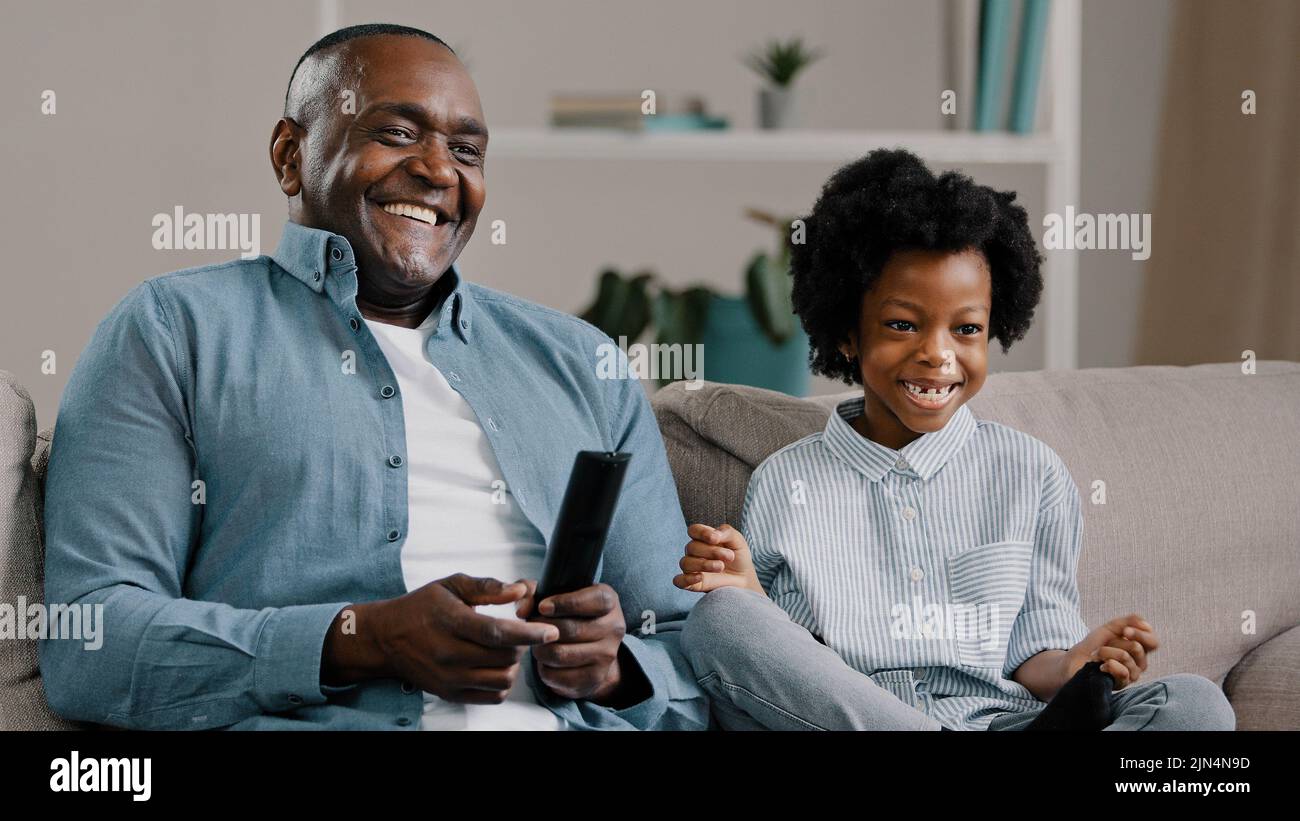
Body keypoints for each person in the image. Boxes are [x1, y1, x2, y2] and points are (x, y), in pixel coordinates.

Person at [38, 24, 708, 731]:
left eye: (466, 151)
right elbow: (93, 642)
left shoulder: (583, 362)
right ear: (290, 156)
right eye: (396, 133)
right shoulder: (174, 330)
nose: (438, 170)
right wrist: (359, 640)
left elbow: (694, 652)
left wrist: (612, 669)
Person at [674, 148, 1237, 731]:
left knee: (1193, 705)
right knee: (720, 622)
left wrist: (1073, 664)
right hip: (859, 720)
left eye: (966, 329)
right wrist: (745, 591)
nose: (937, 354)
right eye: (902, 325)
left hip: (1000, 722)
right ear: (847, 333)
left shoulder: (1032, 473)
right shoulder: (786, 479)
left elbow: (1031, 660)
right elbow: (788, 664)